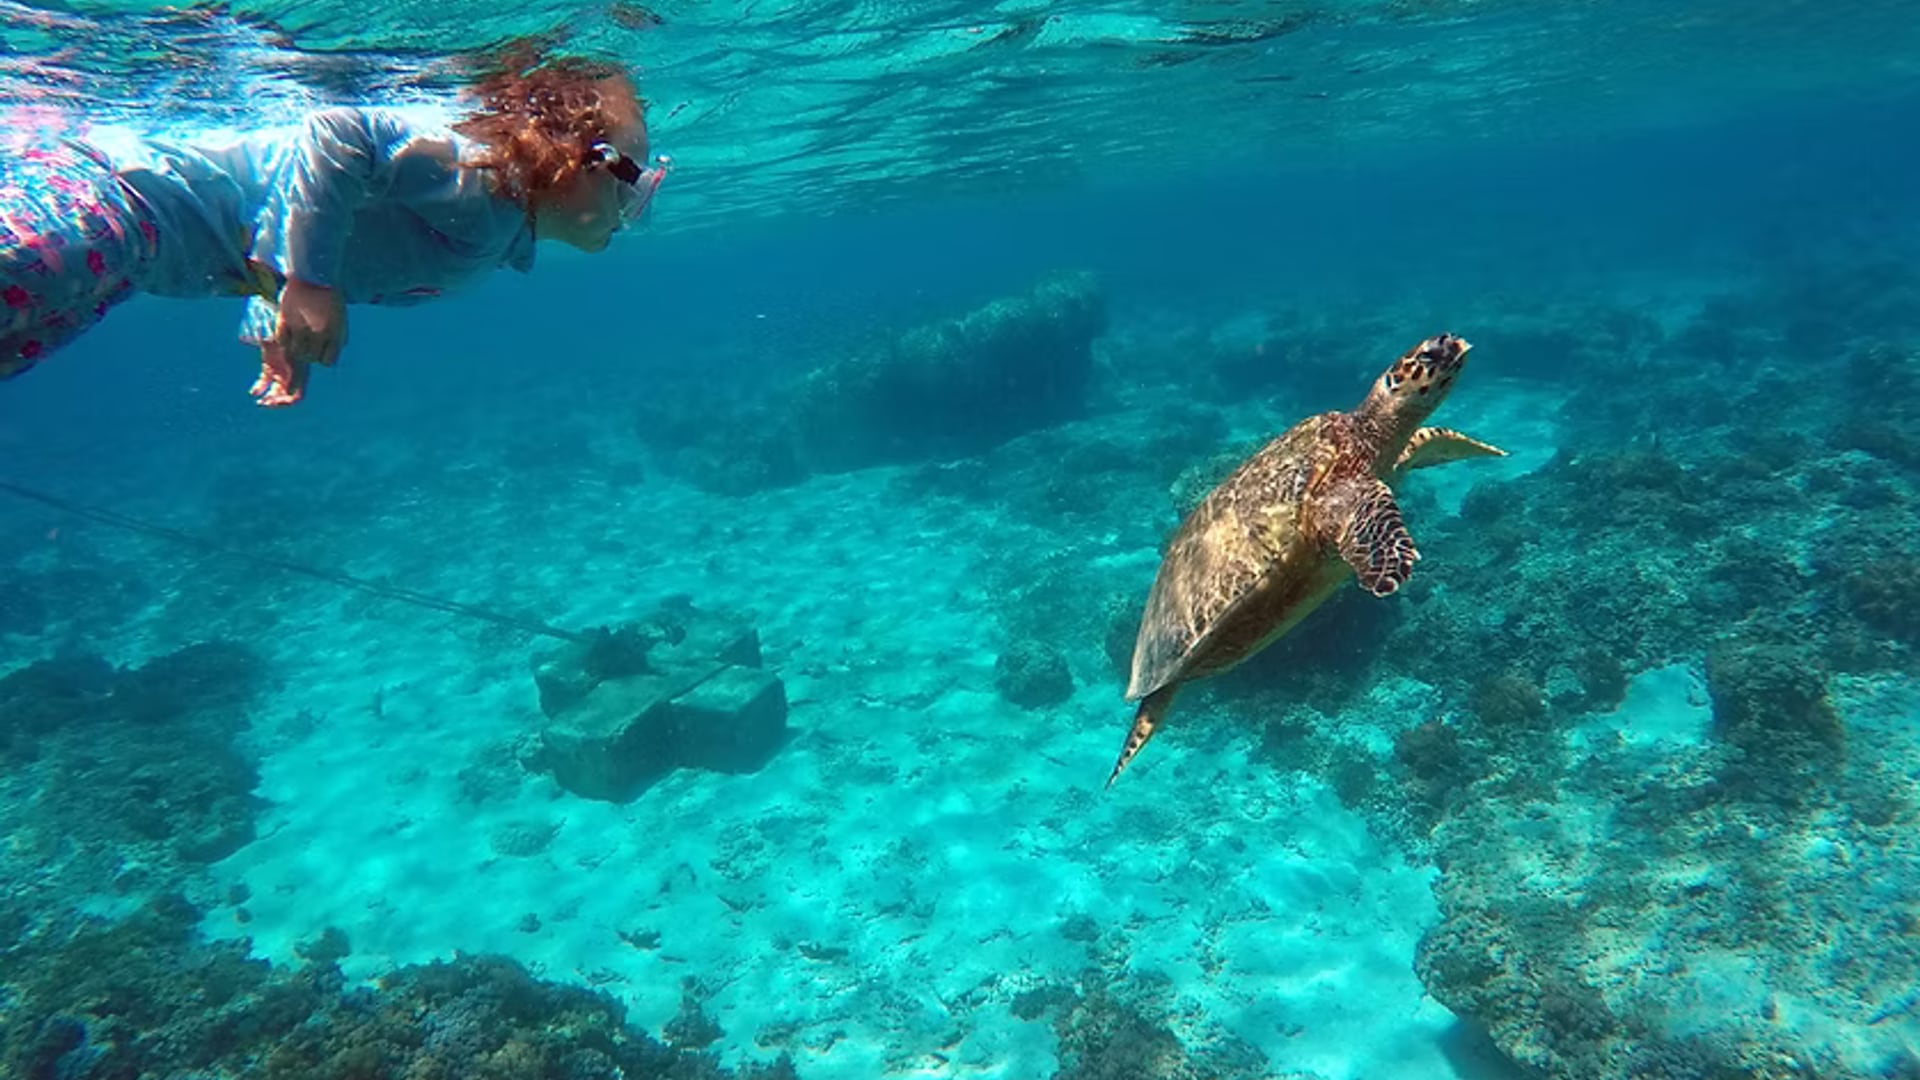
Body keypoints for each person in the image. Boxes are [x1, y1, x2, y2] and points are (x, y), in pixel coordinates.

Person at [0, 48, 666, 407]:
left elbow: (295, 213)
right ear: (575, 163)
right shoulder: (479, 178)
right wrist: (309, 284)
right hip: (115, 195)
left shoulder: (496, 234)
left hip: (131, 262)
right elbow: (336, 131)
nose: (637, 208)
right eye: (633, 181)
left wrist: (280, 316)